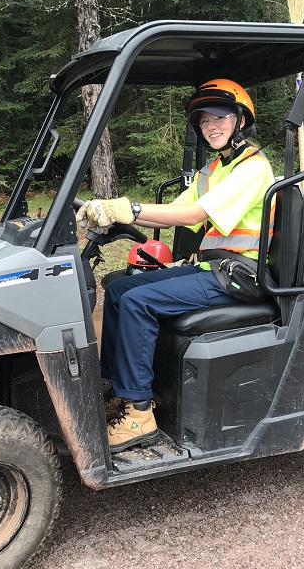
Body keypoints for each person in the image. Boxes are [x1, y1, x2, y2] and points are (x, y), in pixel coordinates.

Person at [78, 78, 274, 453]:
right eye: (204, 120)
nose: (212, 126)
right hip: (214, 269)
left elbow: (198, 213)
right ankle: (117, 390)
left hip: (240, 275)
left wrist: (129, 208)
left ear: (240, 120)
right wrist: (111, 214)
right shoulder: (214, 170)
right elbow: (173, 215)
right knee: (120, 289)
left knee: (140, 302)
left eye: (220, 117)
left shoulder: (253, 169)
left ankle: (139, 415)